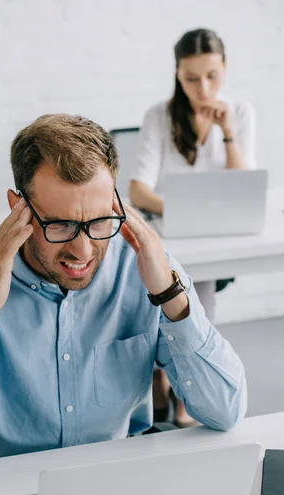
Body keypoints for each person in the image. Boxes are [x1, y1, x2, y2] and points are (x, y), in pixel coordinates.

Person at [0, 114, 246, 474]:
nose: (82, 251)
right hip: (3, 483)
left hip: (119, 480)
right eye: (60, 224)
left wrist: (171, 297)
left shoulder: (146, 270)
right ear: (17, 208)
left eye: (98, 221)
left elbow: (225, 411)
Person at [130, 28, 255, 427]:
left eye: (212, 76)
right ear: (177, 75)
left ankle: (185, 387)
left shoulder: (240, 112)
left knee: (198, 298)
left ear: (225, 70)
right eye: (191, 78)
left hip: (216, 236)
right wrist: (182, 211)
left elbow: (243, 185)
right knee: (172, 287)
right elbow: (138, 190)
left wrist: (227, 132)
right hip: (171, 233)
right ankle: (166, 380)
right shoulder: (160, 116)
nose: (203, 88)